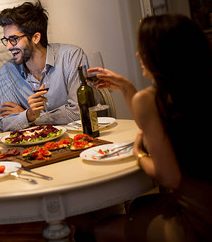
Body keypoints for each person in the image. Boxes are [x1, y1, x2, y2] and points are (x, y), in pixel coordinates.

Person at [91, 14, 212, 242]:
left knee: (97, 230)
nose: (138, 54)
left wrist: (138, 154)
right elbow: (160, 128)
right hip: (202, 200)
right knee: (138, 205)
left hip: (199, 218)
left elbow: (169, 177)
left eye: (143, 48)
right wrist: (127, 88)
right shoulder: (195, 89)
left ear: (163, 53)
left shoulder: (152, 98)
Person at [0, 0, 85, 132]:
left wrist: (32, 118)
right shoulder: (8, 71)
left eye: (14, 39)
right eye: (6, 40)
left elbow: (79, 112)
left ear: (36, 37)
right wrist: (28, 115)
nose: (8, 46)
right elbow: (4, 124)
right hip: (34, 149)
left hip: (77, 140)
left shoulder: (71, 56)